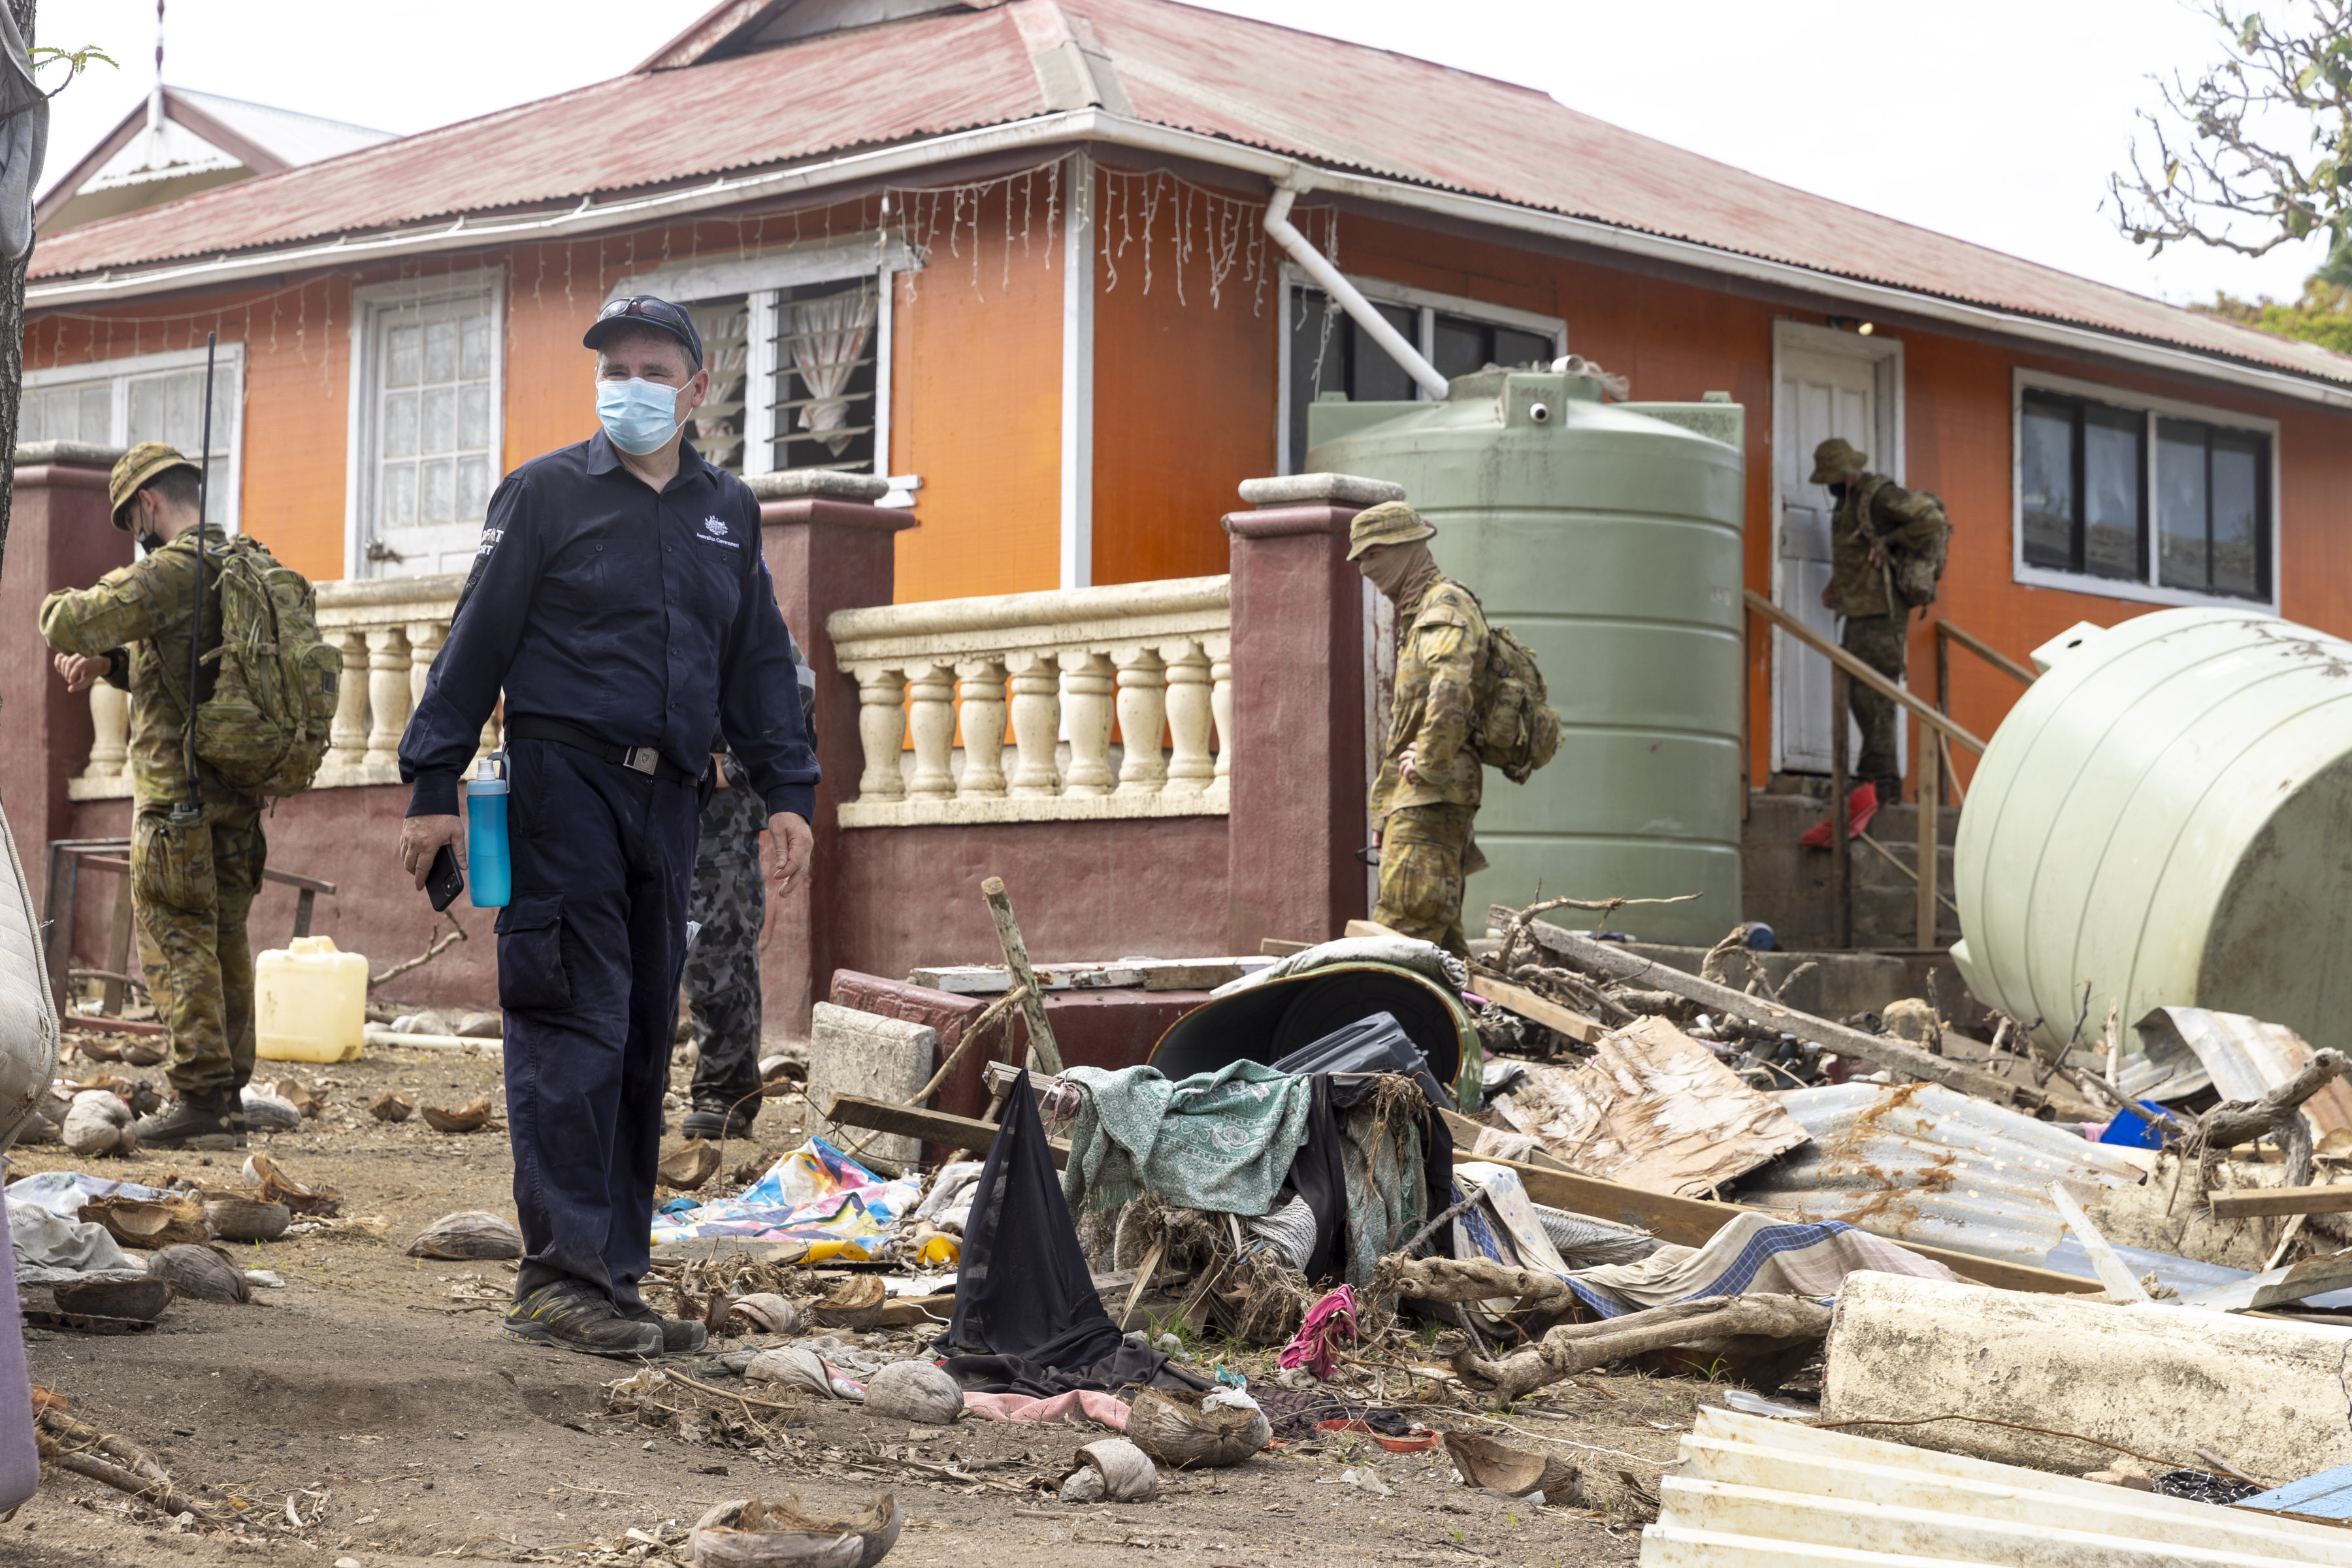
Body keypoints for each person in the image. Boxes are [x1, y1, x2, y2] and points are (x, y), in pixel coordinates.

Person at [396, 294, 818, 1360]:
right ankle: (558, 1276)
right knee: (572, 1017)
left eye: (650, 366)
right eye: (613, 366)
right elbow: (475, 641)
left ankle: (613, 1277)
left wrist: (790, 792)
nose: (629, 383)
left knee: (638, 1035)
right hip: (562, 785)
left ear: (696, 385)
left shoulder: (727, 510)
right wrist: (432, 784)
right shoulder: (543, 495)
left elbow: (757, 656)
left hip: (671, 798)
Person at [39, 444, 263, 1151]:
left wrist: (57, 613)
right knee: (225, 936)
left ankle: (199, 1097)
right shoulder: (240, 565)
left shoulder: (172, 569)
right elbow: (183, 668)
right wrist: (111, 666)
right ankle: (226, 1094)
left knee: (177, 940)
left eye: (129, 518)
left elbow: (69, 619)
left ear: (149, 505)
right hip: (235, 793)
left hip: (178, 801)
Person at [679, 625, 811, 1143]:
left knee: (719, 952)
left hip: (720, 812)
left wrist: (732, 769)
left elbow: (795, 689)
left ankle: (726, 1092)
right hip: (639, 794)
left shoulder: (736, 595)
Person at [1351, 500, 1489, 958]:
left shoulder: (1442, 606)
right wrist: (1388, 810)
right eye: (1358, 558)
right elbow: (1410, 720)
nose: (1362, 568)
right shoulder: (1418, 614)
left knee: (1397, 946)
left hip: (1432, 802)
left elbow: (1452, 686)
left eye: (1372, 554)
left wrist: (1428, 765)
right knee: (1443, 949)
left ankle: (1380, 1032)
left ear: (1407, 548)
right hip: (1419, 804)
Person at [1811, 438, 1947, 804]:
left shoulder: (1881, 495)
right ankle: (1875, 779)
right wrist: (1836, 585)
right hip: (1858, 612)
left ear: (1848, 472)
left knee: (1877, 699)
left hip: (1882, 614)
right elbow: (1857, 549)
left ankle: (1882, 785)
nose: (1829, 484)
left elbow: (1931, 520)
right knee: (1859, 696)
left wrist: (1892, 539)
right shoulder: (1848, 500)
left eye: (1832, 476)